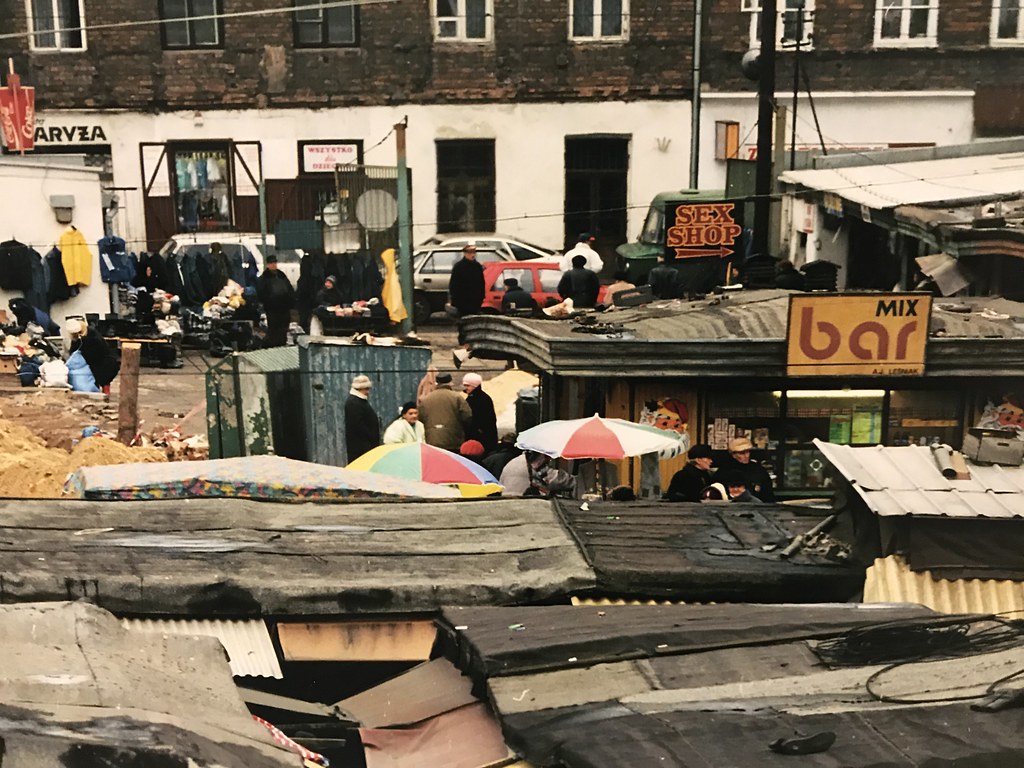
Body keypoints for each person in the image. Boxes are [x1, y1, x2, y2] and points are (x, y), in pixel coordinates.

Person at [417, 371, 473, 451]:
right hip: (454, 441)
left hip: (432, 441)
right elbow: (467, 417)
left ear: (437, 383)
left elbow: (420, 418)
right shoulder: (457, 397)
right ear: (450, 383)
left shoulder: (426, 399)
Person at [66, 318, 120, 395]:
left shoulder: (92, 337)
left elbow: (98, 352)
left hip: (103, 362)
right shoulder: (83, 336)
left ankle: (104, 394)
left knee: (103, 379)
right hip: (95, 362)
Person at [718, 437, 775, 502]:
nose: (746, 456)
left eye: (747, 452)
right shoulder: (724, 472)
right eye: (742, 453)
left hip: (758, 508)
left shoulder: (759, 470)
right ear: (733, 455)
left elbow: (769, 495)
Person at [256, 253, 295, 347]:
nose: (273, 265)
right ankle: (274, 347)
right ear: (267, 265)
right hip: (272, 309)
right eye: (271, 263)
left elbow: (289, 289)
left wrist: (290, 301)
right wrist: (269, 302)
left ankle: (282, 344)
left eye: (275, 262)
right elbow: (261, 293)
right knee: (274, 329)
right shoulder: (264, 278)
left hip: (284, 308)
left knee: (284, 328)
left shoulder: (282, 276)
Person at [345, 374, 380, 462]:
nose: (368, 392)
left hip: (364, 445)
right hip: (361, 447)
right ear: (360, 388)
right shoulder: (354, 403)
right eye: (366, 389)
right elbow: (358, 425)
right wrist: (371, 435)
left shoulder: (358, 401)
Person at [462, 372, 498, 453]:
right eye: (465, 385)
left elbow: (486, 420)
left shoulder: (479, 399)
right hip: (482, 437)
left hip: (481, 438)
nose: (465, 388)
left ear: (475, 386)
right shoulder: (480, 398)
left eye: (468, 386)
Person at [449, 244, 485, 317]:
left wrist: (481, 297)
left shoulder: (477, 266)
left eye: (474, 253)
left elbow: (481, 283)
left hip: (475, 301)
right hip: (462, 301)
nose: (472, 255)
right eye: (470, 253)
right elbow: (453, 285)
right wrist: (456, 300)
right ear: (465, 254)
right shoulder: (459, 267)